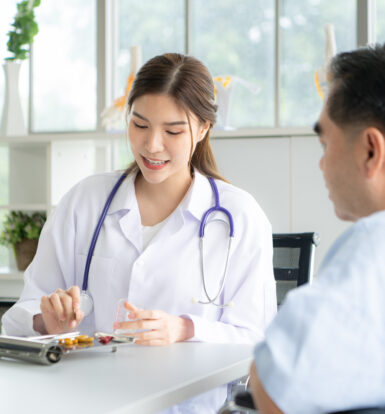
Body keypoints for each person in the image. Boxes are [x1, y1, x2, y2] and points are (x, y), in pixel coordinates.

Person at [2, 53, 276, 412]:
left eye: (173, 131)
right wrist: (46, 319)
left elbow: (258, 340)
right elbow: (20, 314)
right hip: (84, 401)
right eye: (140, 125)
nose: (152, 145)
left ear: (204, 129)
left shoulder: (240, 217)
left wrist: (186, 329)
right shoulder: (85, 201)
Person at [249, 44, 385, 413]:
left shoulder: (372, 247)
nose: (322, 164)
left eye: (325, 143)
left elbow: (272, 385)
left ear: (371, 151)